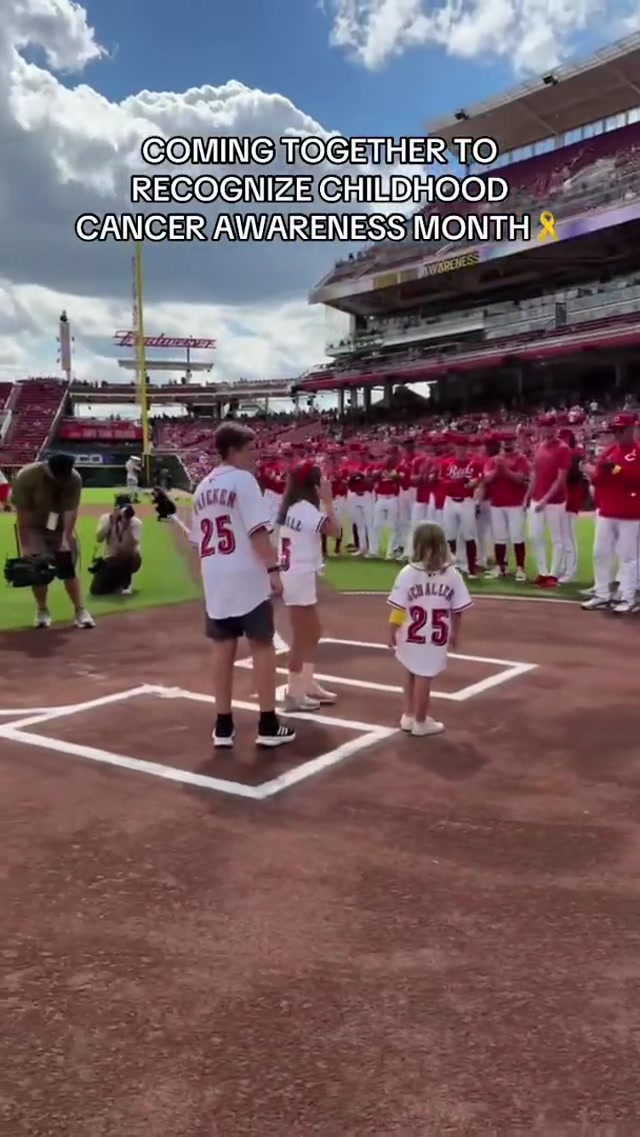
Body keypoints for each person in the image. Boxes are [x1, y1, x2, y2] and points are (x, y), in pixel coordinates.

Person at [189, 422, 295, 749]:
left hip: (215, 574)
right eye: (249, 449)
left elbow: (196, 544)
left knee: (223, 646)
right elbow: (257, 532)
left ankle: (223, 726)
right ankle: (268, 723)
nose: (254, 456)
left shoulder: (201, 487)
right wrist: (274, 570)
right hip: (246, 574)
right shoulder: (243, 480)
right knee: (262, 643)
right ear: (233, 450)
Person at [387, 521, 471, 737]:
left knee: (410, 671)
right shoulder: (453, 575)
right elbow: (457, 610)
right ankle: (421, 721)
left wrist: (392, 630)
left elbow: (398, 607)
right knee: (424, 676)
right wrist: (455, 633)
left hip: (409, 633)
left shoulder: (407, 572)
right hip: (434, 638)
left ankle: (409, 715)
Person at [277, 461, 342, 711]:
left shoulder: (293, 507)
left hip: (296, 573)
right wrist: (328, 502)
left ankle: (306, 682)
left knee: (313, 631)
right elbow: (335, 531)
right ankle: (294, 691)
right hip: (298, 575)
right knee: (304, 635)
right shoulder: (303, 509)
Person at [11, 452, 95, 628]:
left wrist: (65, 539)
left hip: (57, 526)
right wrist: (26, 545)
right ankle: (42, 610)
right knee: (38, 569)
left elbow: (70, 511)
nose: (59, 480)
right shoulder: (26, 477)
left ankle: (80, 610)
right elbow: (23, 515)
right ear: (46, 467)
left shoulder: (73, 479)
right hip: (34, 526)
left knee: (67, 567)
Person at [582, 412, 640, 614]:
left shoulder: (638, 451)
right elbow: (596, 479)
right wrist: (600, 471)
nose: (617, 434)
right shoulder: (609, 450)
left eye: (621, 430)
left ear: (632, 429)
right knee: (600, 553)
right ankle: (602, 595)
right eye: (615, 431)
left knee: (628, 557)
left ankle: (628, 598)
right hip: (607, 510)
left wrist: (616, 470)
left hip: (630, 513)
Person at [526, 413, 572, 587]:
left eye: (549, 426)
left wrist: (545, 499)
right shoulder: (539, 446)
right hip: (537, 498)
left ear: (555, 427)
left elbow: (561, 478)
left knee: (556, 538)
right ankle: (543, 572)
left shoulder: (563, 448)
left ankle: (553, 574)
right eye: (543, 426)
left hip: (555, 500)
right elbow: (535, 474)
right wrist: (528, 496)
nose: (546, 429)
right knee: (535, 536)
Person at [90, 495, 142, 596]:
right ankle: (117, 582)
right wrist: (112, 522)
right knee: (97, 590)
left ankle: (126, 584)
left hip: (131, 558)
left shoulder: (135, 522)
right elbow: (99, 539)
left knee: (124, 552)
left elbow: (133, 545)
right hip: (110, 558)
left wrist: (127, 527)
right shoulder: (106, 519)